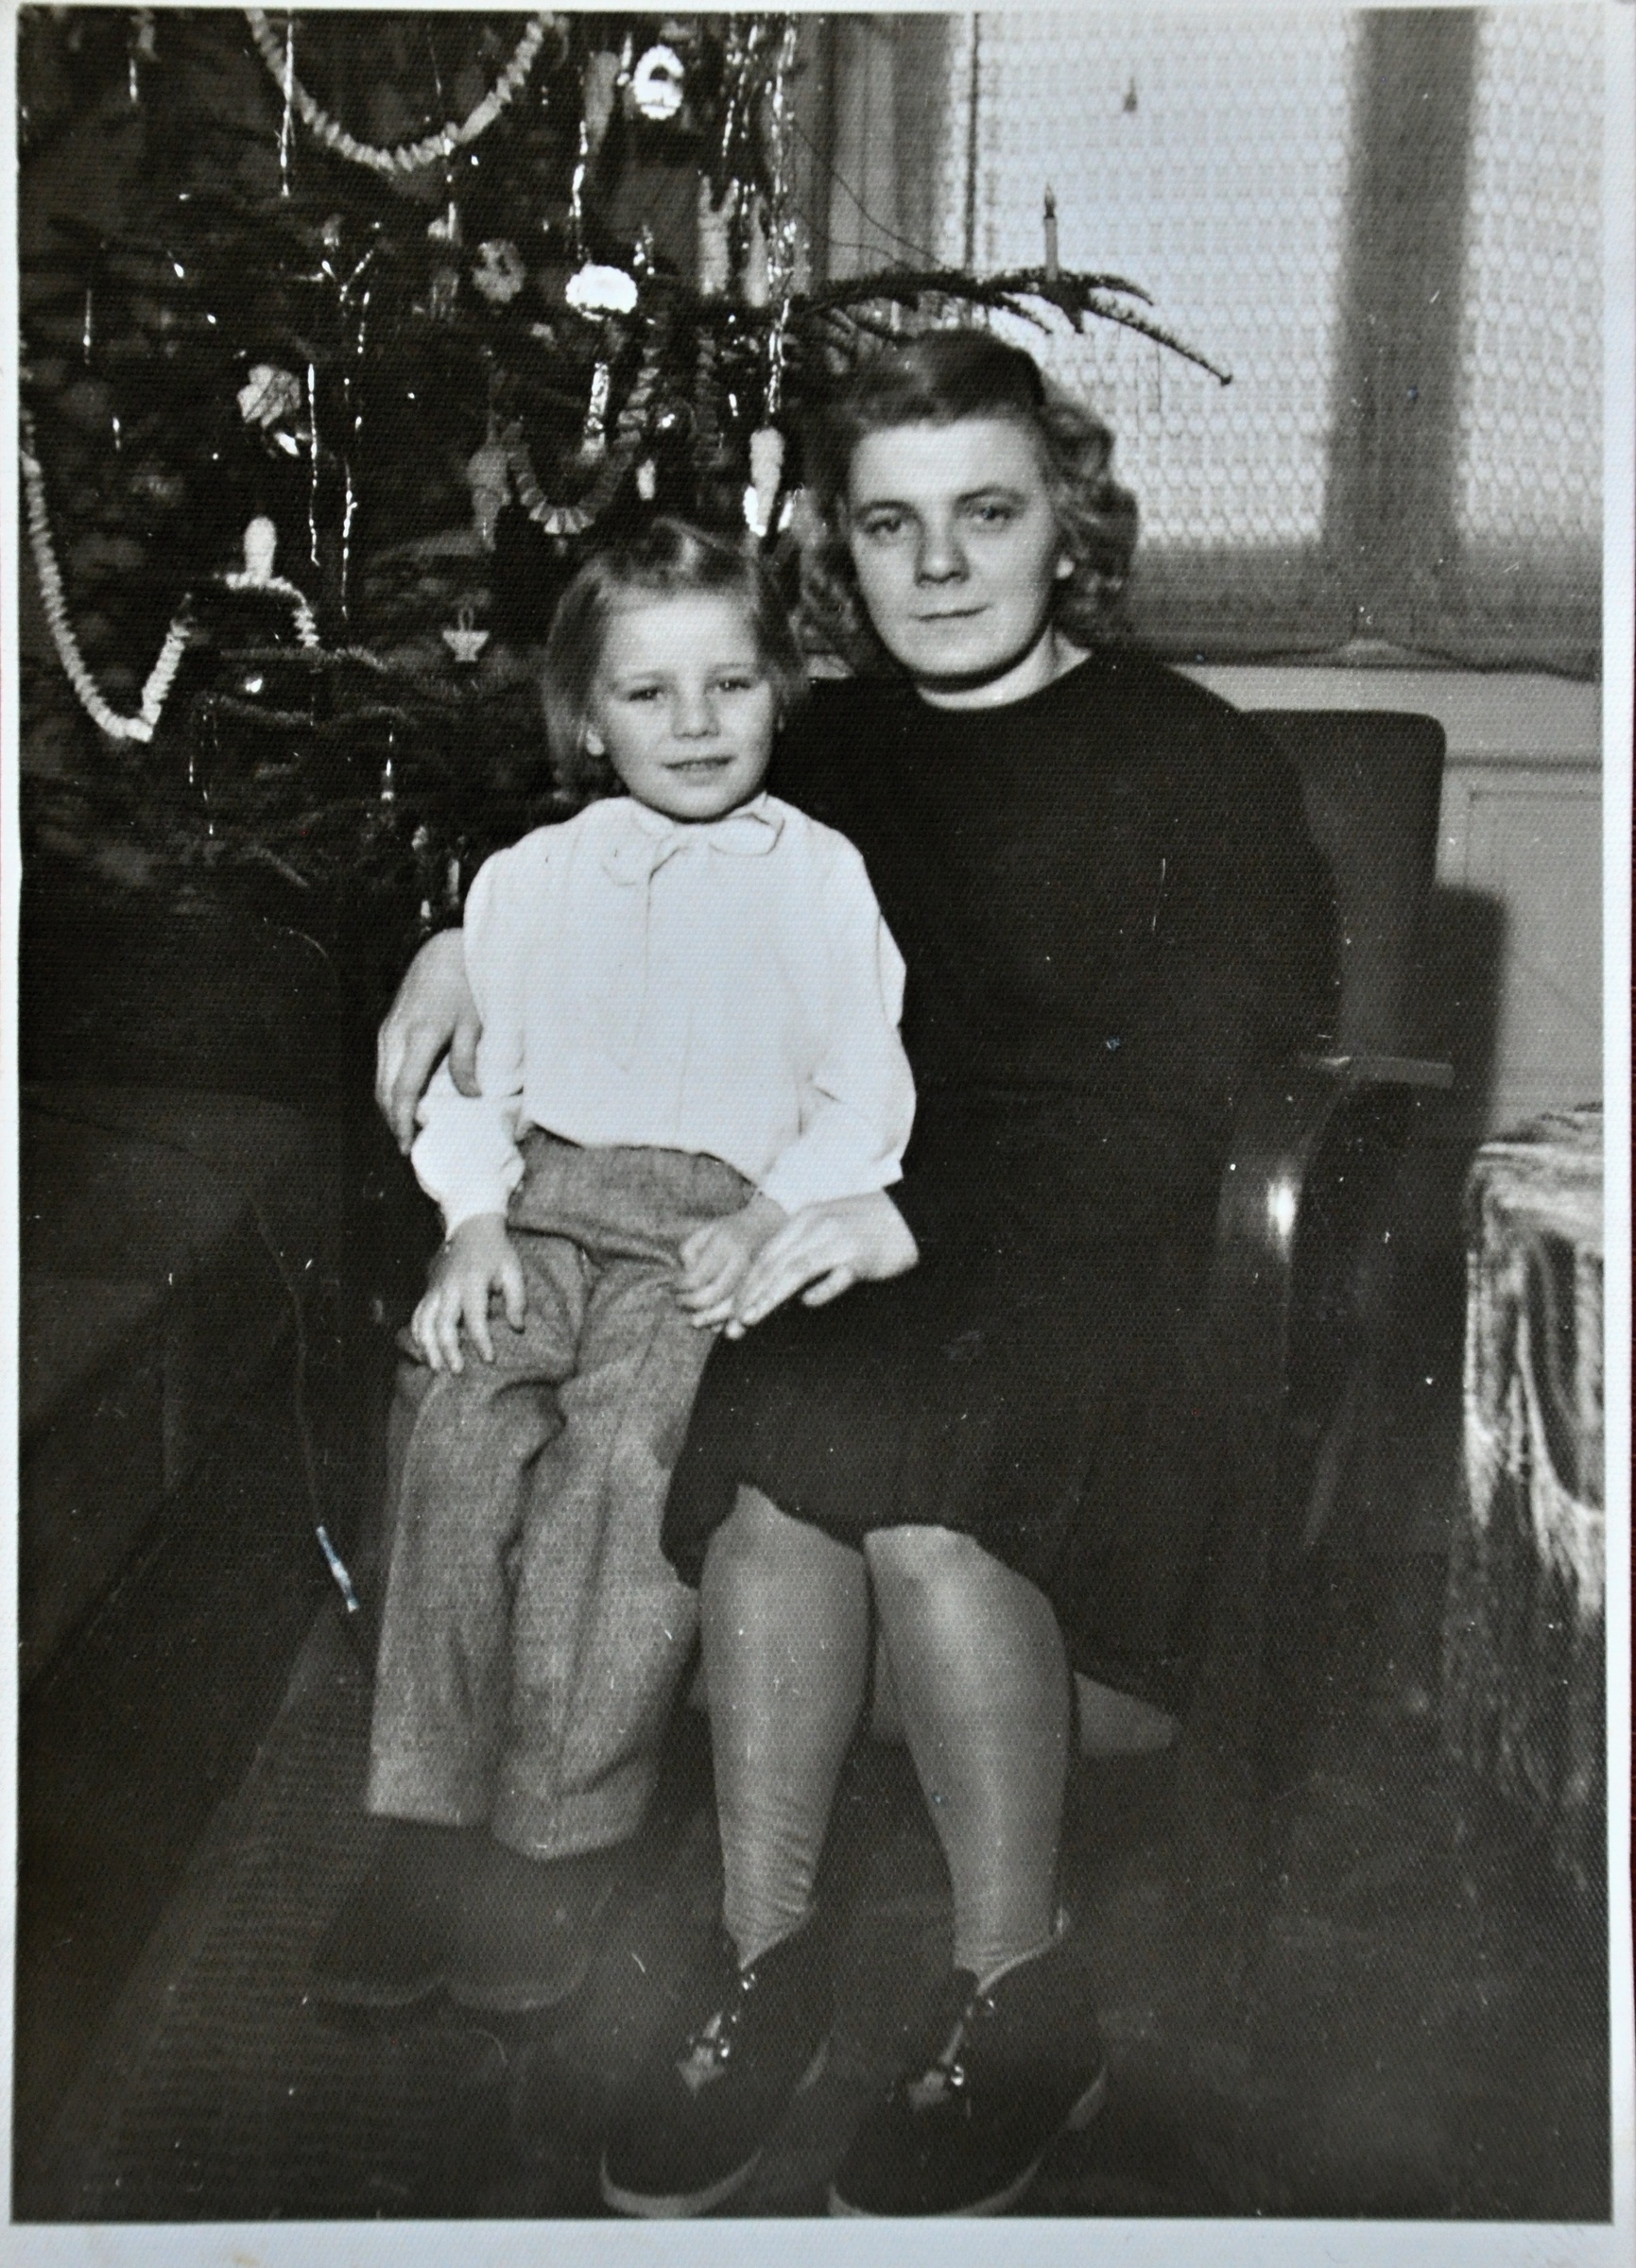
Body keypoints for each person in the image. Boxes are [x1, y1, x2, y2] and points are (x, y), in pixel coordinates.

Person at [376, 332, 1336, 2213]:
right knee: (769, 1471)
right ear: (839, 545)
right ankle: (767, 1962)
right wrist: (459, 948)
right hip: (840, 1219)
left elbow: (1187, 1109)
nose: (942, 562)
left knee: (921, 1496)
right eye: (892, 525)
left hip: (1098, 1253)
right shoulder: (830, 751)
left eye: (987, 511)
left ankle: (1014, 1994)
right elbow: (615, 836)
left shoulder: (1195, 762)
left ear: (1069, 521)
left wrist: (908, 1225)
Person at [315, 519, 915, 2017]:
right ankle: (425, 1829)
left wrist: (774, 1212)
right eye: (649, 695)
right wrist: (471, 1218)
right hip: (540, 1205)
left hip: (706, 1227)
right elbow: (471, 1087)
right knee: (457, 1422)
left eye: (731, 685)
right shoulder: (530, 879)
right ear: (586, 720)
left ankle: (557, 1838)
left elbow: (868, 1089)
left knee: (624, 1461)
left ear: (779, 690)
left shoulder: (822, 877)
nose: (696, 724)